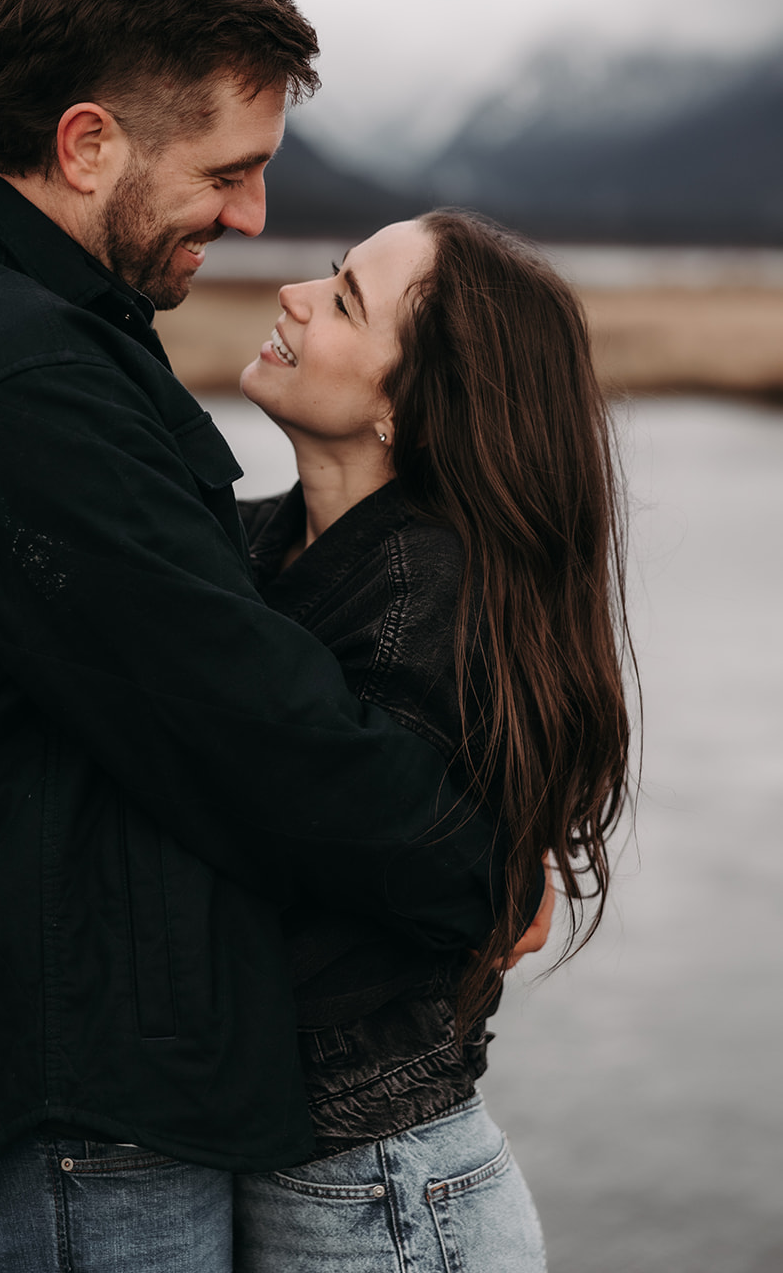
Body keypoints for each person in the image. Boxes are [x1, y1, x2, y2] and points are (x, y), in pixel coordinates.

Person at [0, 0, 541, 1272]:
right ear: (89, 146)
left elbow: (167, 610)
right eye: (228, 172)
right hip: (64, 1095)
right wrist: (483, 873)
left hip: (78, 1078)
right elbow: (233, 717)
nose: (253, 220)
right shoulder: (9, 373)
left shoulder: (31, 328)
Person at [232, 210, 634, 1270]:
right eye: (329, 274)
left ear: (405, 417)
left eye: (344, 300)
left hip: (383, 1202)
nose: (294, 294)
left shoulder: (431, 612)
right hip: (335, 1186)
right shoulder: (253, 548)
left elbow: (310, 869)